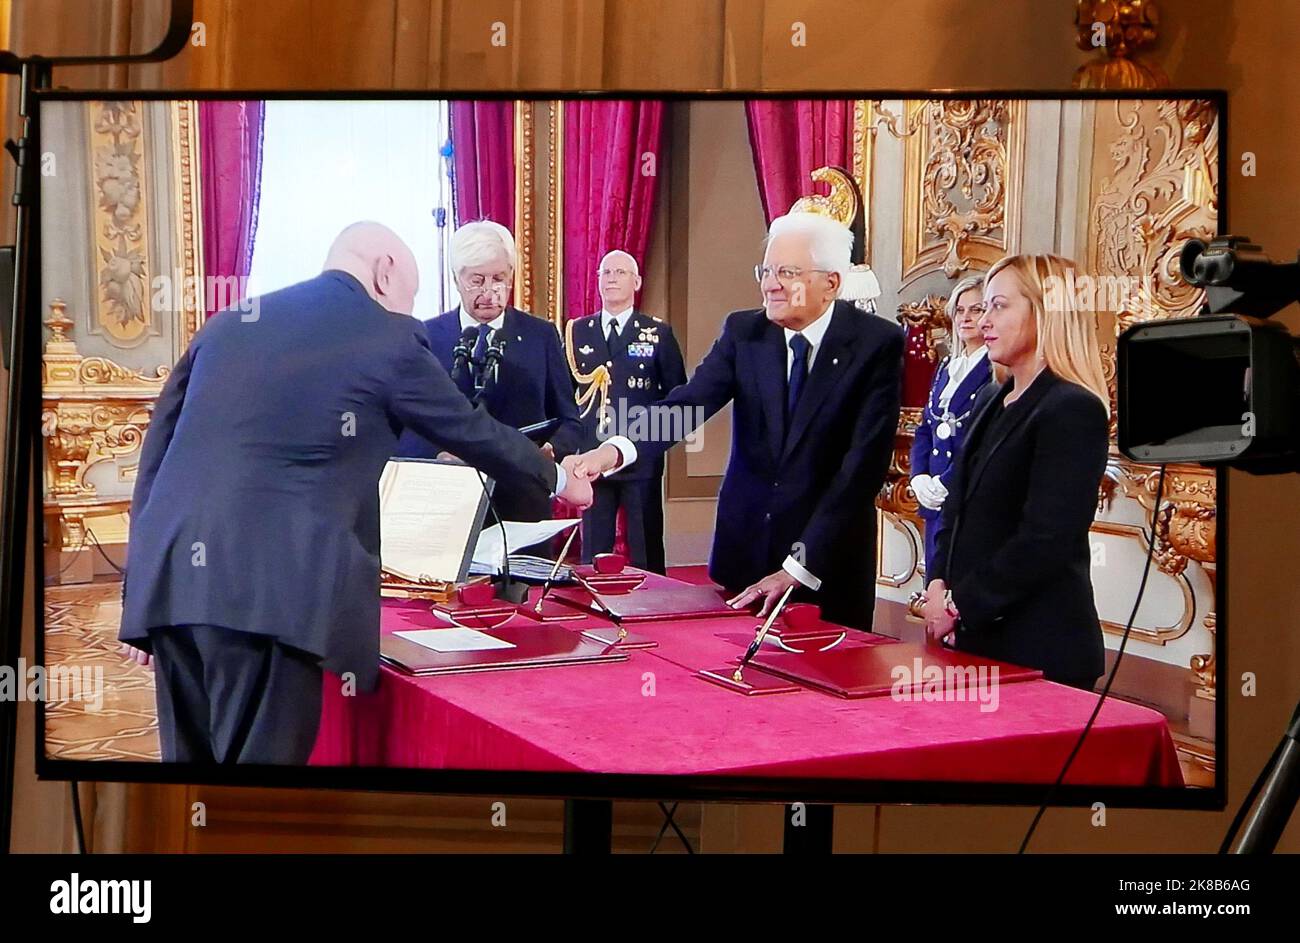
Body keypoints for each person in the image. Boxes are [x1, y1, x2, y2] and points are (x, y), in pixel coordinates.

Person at [119, 222, 595, 764]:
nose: (406, 312)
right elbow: (471, 430)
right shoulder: (387, 335)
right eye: (408, 297)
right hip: (275, 597)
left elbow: (155, 459)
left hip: (176, 587)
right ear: (384, 270)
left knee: (190, 789)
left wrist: (141, 599)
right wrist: (558, 479)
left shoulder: (229, 323)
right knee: (259, 807)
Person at [569, 211, 903, 631]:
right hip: (745, 557)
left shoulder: (877, 344)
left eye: (787, 272)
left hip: (825, 564)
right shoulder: (744, 332)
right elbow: (686, 405)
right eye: (766, 270)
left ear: (831, 283)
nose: (770, 284)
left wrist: (798, 568)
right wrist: (615, 449)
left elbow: (860, 471)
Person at [922, 253, 1110, 690]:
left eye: (999, 306)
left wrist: (959, 604)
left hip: (1038, 646)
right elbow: (957, 505)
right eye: (983, 306)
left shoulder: (1072, 409)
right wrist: (936, 583)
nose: (983, 320)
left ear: (1046, 311)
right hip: (973, 637)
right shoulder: (993, 398)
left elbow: (1047, 538)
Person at [397, 220, 582, 525]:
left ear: (511, 277)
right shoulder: (425, 337)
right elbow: (406, 426)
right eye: (477, 280)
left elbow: (570, 421)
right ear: (457, 279)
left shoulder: (541, 336)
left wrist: (549, 450)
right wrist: (440, 456)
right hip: (444, 505)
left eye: (499, 278)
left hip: (522, 502)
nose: (488, 291)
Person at [571, 250, 687, 573]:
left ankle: (652, 607)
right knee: (593, 548)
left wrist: (656, 442)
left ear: (636, 282)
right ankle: (594, 604)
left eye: (619, 272)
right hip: (592, 454)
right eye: (605, 273)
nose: (611, 279)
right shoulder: (577, 332)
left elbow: (677, 396)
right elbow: (565, 395)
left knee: (645, 544)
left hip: (640, 455)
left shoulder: (657, 333)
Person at [910, 274, 992, 579]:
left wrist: (947, 481)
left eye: (976, 309)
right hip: (934, 501)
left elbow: (982, 441)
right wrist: (919, 476)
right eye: (960, 310)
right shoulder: (946, 366)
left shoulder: (996, 370)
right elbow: (925, 429)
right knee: (934, 582)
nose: (966, 318)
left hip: (965, 497)